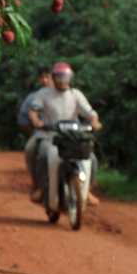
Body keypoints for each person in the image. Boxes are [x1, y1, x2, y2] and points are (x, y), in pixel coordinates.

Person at [26, 61, 102, 207]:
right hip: (50, 136)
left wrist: (94, 121)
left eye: (65, 77)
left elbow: (90, 113)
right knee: (42, 154)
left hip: (73, 137)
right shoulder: (44, 94)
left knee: (91, 158)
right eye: (59, 77)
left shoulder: (75, 94)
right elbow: (33, 111)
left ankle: (88, 190)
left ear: (70, 77)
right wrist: (36, 121)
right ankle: (41, 188)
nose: (62, 80)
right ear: (53, 78)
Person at [18, 65, 53, 198]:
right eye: (42, 77)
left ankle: (85, 188)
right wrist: (35, 130)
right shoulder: (34, 97)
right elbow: (24, 118)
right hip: (43, 134)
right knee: (30, 150)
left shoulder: (68, 94)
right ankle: (37, 184)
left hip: (65, 133)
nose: (45, 80)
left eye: (47, 77)